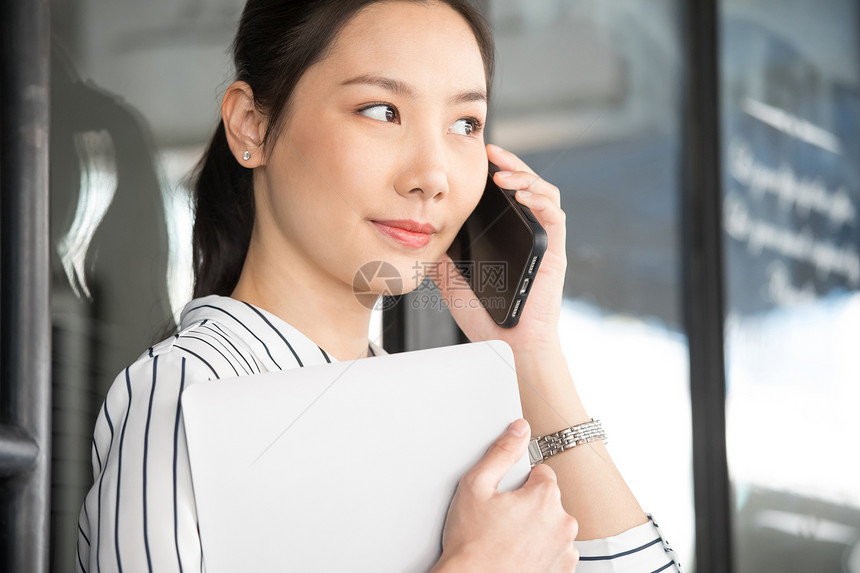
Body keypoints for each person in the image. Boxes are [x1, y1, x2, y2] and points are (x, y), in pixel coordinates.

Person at [76, 1, 682, 571]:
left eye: (466, 123)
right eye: (381, 111)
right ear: (251, 126)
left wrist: (532, 355)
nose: (432, 176)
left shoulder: (440, 412)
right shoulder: (189, 394)